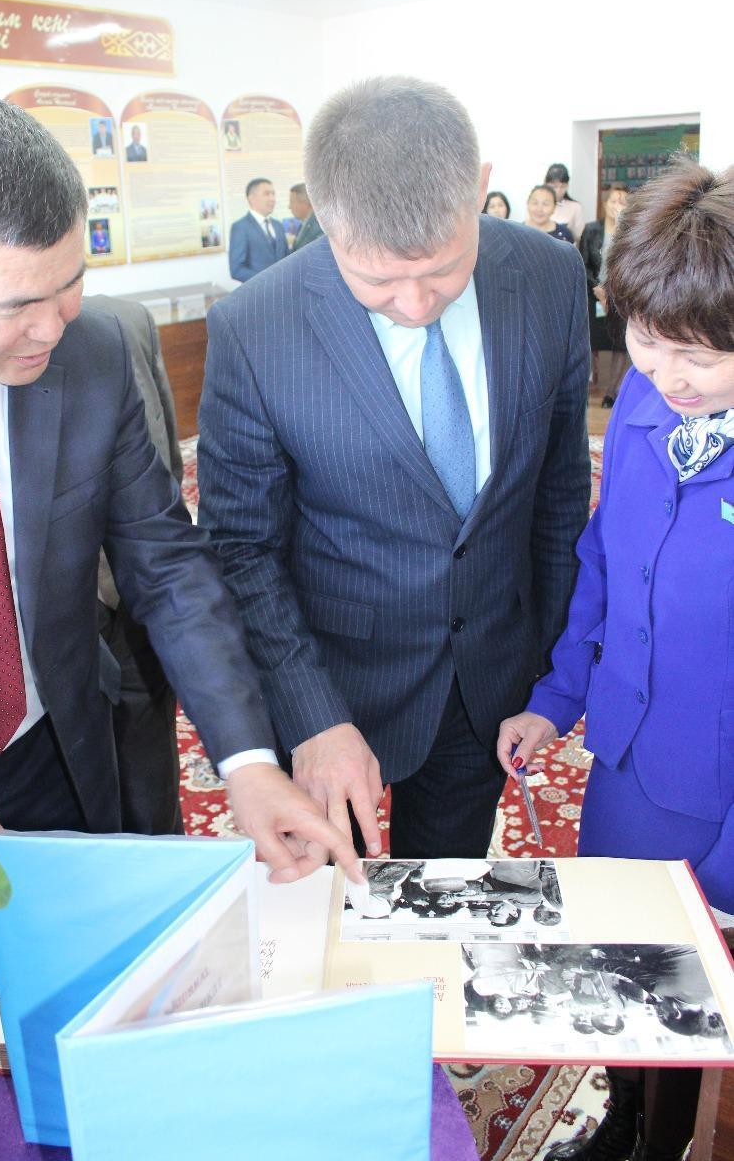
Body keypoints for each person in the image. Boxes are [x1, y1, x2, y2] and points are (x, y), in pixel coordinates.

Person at [0, 94, 363, 888]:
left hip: (59, 747)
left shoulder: (92, 353)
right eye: (16, 305)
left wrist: (247, 762)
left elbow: (166, 563)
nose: (53, 326)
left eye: (70, 283)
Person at [198, 76, 591, 860]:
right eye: (376, 280)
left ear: (478, 188)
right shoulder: (256, 324)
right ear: (323, 217)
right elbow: (240, 548)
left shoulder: (548, 275)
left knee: (447, 892)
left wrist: (546, 663)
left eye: (442, 270)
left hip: (487, 678)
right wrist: (311, 715)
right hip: (331, 680)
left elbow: (557, 486)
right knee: (323, 897)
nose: (414, 304)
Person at [498, 160, 734, 1161]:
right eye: (644, 338)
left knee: (693, 996)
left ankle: (665, 1140)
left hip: (719, 797)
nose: (666, 374)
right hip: (628, 767)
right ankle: (624, 1118)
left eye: (699, 356)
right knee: (623, 966)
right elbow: (601, 563)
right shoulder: (641, 403)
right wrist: (554, 699)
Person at [84, 293, 184, 835]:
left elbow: (165, 451)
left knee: (149, 765)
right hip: (48, 612)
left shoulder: (124, 320)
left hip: (134, 585)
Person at [579, 182, 630, 407]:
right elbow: (583, 263)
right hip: (593, 295)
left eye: (623, 202)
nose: (617, 205)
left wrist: (612, 292)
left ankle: (611, 392)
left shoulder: (632, 231)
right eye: (613, 201)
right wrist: (597, 288)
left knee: (619, 344)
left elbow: (633, 266)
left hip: (621, 298)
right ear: (605, 203)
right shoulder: (592, 230)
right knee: (591, 341)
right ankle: (586, 388)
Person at [227, 178, 288, 282]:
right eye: (267, 194)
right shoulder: (240, 227)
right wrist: (267, 281)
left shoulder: (278, 226)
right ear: (252, 198)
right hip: (259, 290)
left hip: (284, 288)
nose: (272, 199)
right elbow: (237, 270)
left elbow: (288, 258)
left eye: (273, 194)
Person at [544, 163, 584, 241]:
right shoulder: (538, 206)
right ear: (546, 184)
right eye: (554, 186)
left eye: (563, 186)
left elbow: (579, 237)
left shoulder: (575, 207)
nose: (558, 191)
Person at [289, 182, 324, 251]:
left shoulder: (319, 226)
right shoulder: (304, 223)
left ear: (305, 202)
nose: (289, 207)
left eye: (292, 202)